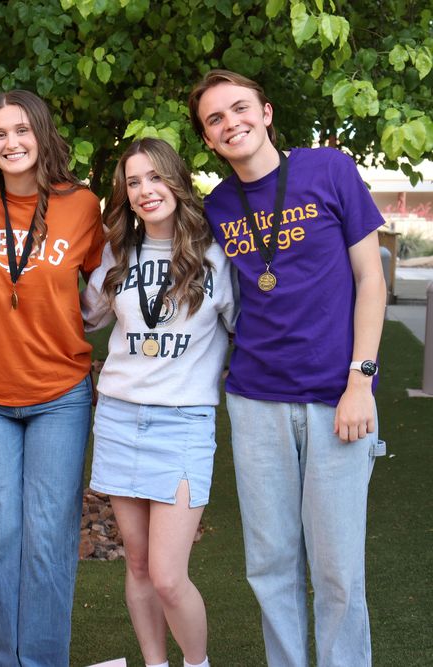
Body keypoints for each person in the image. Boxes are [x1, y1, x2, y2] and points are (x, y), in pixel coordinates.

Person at [188, 69, 386, 667]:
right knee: (270, 563)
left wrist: (361, 382)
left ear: (267, 113)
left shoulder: (329, 169)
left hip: (336, 396)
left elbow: (370, 279)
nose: (231, 123)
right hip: (255, 399)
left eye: (239, 108)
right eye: (215, 119)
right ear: (209, 139)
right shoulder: (219, 206)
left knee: (338, 569)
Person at [0, 89, 104, 667]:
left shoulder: (82, 205)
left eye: (21, 131)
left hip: (59, 394)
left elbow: (105, 284)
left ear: (41, 134)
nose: (11, 143)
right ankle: (5, 658)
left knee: (46, 539)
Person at [81, 138, 237, 667]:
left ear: (177, 181)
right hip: (120, 417)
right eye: (133, 182)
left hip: (184, 422)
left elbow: (245, 331)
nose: (146, 191)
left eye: (155, 178)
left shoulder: (214, 255)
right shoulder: (117, 254)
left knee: (171, 576)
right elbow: (84, 318)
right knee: (141, 566)